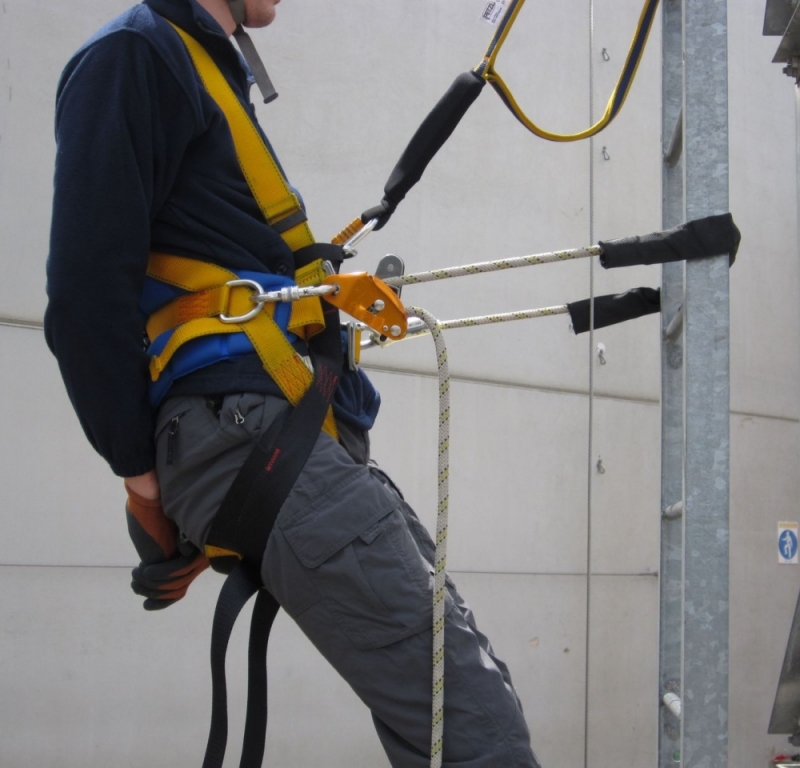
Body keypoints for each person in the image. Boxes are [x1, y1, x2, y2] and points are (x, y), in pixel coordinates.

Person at [45, 1, 541, 765]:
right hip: (246, 432)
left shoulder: (196, 69)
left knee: (469, 702)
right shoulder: (136, 57)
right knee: (471, 726)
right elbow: (84, 291)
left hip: (275, 433)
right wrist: (144, 487)